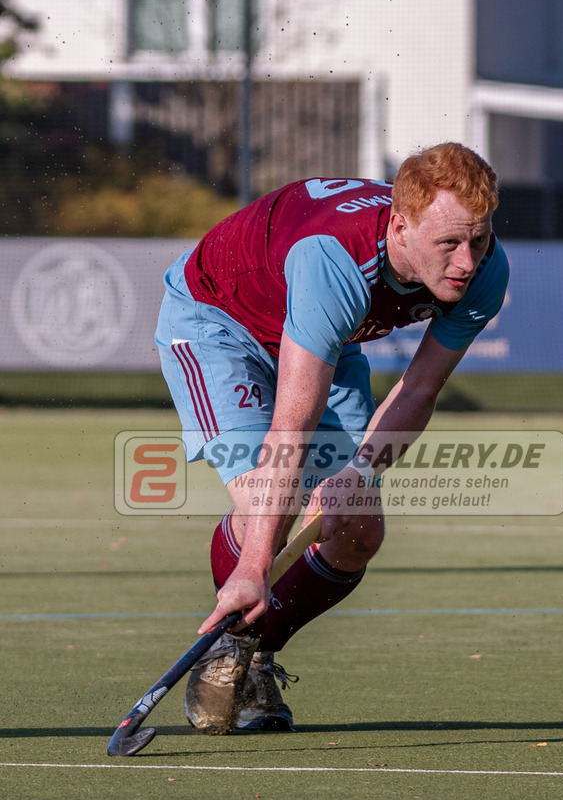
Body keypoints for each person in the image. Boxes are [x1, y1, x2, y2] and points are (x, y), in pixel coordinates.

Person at [155, 141, 509, 735]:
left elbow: (420, 390)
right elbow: (292, 423)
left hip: (327, 337)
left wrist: (358, 476)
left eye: (476, 240)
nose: (466, 261)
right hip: (218, 322)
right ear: (401, 226)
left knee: (358, 525)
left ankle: (253, 651)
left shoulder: (484, 270)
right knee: (271, 501)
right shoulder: (335, 261)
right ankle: (233, 631)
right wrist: (256, 563)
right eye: (448, 244)